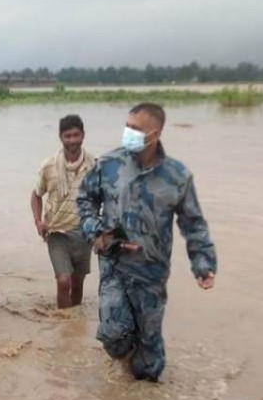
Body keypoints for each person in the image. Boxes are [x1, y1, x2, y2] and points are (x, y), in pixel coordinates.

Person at [77, 103, 217, 382]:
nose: (128, 133)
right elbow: (84, 201)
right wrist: (97, 232)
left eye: (136, 129)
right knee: (114, 334)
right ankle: (125, 358)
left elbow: (193, 223)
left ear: (155, 133)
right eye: (127, 126)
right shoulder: (108, 164)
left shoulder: (177, 176)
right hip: (114, 264)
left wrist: (203, 264)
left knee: (149, 352)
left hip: (151, 272)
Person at [31, 114, 94, 308]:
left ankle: (70, 328)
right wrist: (38, 221)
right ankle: (63, 318)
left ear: (83, 135)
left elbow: (105, 200)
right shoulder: (49, 166)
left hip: (84, 232)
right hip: (57, 232)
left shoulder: (95, 166)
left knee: (77, 282)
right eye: (68, 136)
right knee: (63, 280)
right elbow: (36, 196)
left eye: (76, 135)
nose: (72, 140)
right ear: (60, 137)